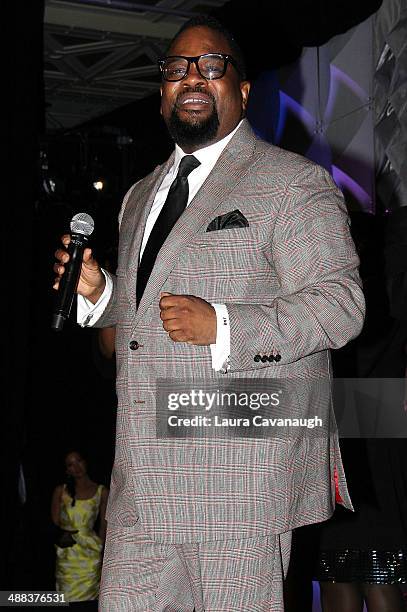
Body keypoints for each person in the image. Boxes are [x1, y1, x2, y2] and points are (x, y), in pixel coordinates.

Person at [53, 15, 365, 611]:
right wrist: (99, 293)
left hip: (239, 478)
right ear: (163, 91)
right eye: (176, 68)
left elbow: (341, 305)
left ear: (242, 90)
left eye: (211, 64)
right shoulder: (138, 194)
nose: (191, 77)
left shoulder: (290, 183)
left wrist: (224, 326)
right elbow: (147, 313)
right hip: (141, 480)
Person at [51, 450, 109, 605]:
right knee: (66, 598)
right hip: (68, 553)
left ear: (86, 462)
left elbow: (104, 526)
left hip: (91, 552)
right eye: (70, 464)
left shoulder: (101, 491)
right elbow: (54, 525)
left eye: (79, 461)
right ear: (66, 469)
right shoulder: (60, 491)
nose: (76, 467)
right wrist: (61, 537)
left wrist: (102, 551)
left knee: (90, 600)